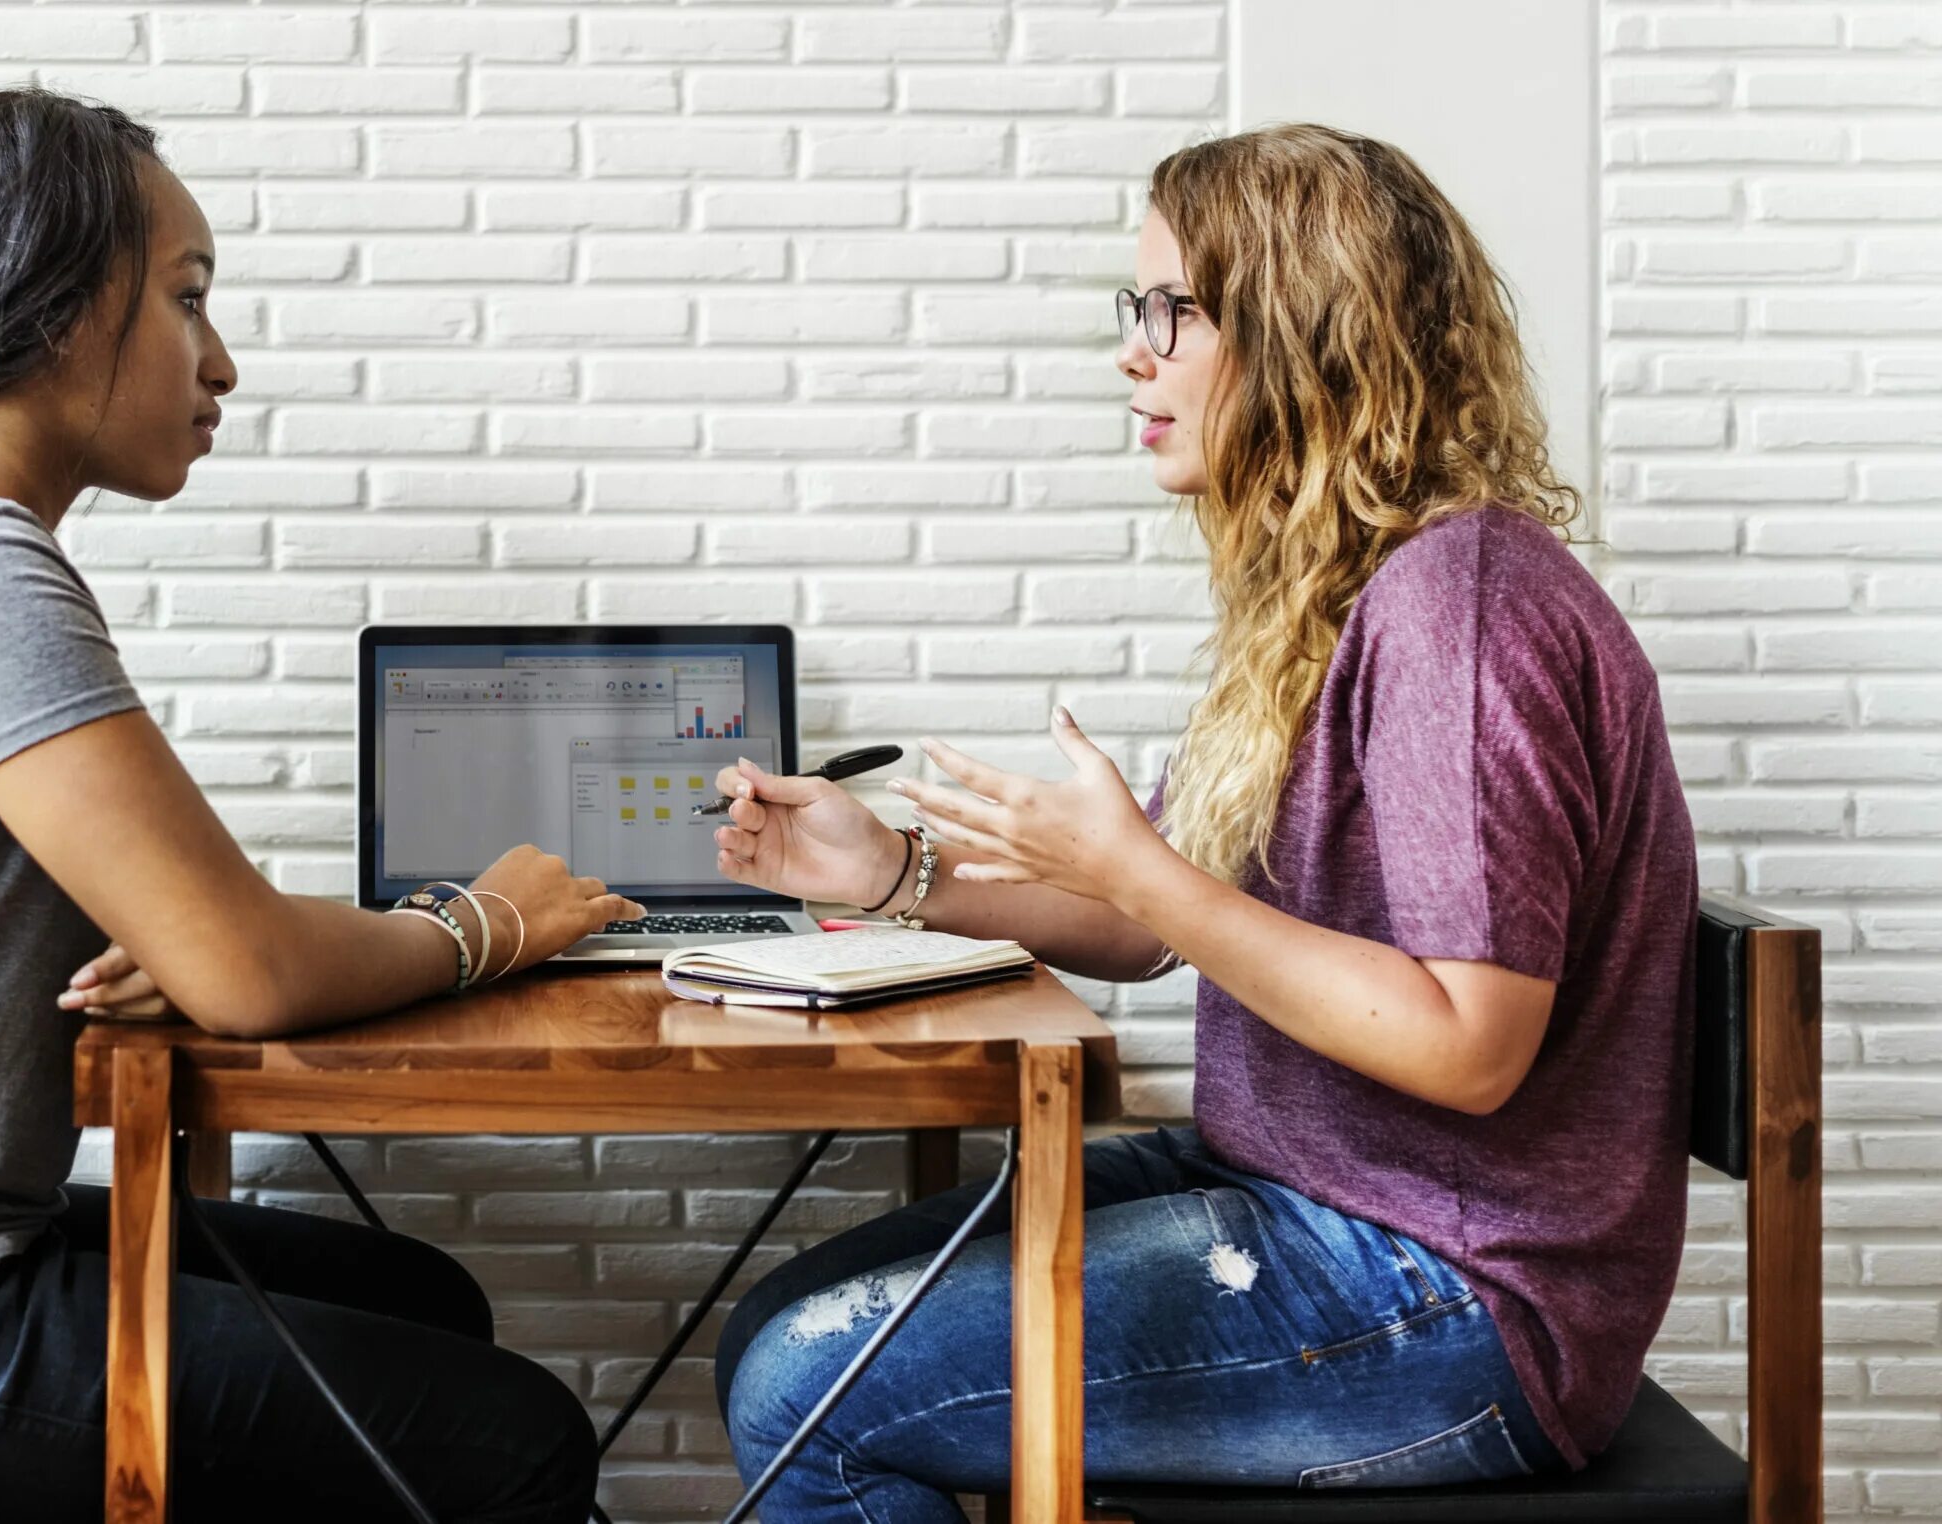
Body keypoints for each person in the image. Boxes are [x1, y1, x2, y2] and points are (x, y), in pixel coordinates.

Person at [0, 89, 635, 1523]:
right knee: (511, 1442)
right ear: (58, 314)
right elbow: (249, 971)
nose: (221, 363)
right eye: (187, 301)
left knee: (422, 1295)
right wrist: (486, 924)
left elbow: (53, 917)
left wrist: (158, 936)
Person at [706, 123, 1697, 1519]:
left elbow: (1469, 1047)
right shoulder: (1332, 598)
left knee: (807, 1382)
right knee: (783, 1322)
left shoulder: (1456, 614)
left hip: (1458, 1295)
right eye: (1140, 311)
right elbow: (1144, 916)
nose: (1134, 353)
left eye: (1173, 311)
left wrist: (1144, 875)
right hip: (1316, 1199)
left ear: (1306, 334)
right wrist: (896, 874)